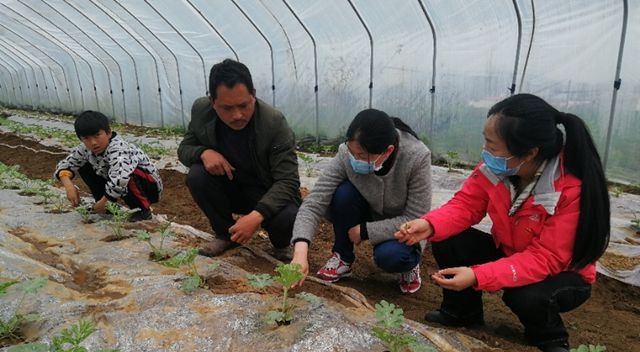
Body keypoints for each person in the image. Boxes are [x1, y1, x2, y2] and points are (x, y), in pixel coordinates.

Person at [395, 93, 610, 352]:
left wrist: (477, 276)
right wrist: (429, 224)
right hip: (513, 252)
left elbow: (546, 258)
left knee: (524, 295)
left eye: (492, 144)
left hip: (561, 273)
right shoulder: (497, 167)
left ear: (529, 153)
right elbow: (466, 205)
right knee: (448, 238)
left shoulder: (569, 188)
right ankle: (462, 312)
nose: (486, 151)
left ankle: (550, 336)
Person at [291, 108, 432, 294]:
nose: (355, 159)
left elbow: (415, 217)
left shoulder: (417, 157)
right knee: (343, 194)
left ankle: (409, 266)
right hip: (368, 209)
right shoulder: (346, 154)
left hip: (403, 227)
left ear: (388, 150)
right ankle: (343, 257)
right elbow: (314, 203)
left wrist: (366, 231)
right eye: (352, 152)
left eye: (363, 156)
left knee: (391, 256)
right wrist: (300, 253)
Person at [177, 58, 301, 261]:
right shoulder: (202, 112)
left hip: (263, 190)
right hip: (230, 186)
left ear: (253, 94)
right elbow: (184, 149)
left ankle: (281, 245)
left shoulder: (273, 123)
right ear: (212, 102)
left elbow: (288, 181)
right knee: (197, 176)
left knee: (288, 216)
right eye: (227, 108)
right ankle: (226, 235)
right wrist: (203, 152)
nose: (237, 115)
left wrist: (255, 216)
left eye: (244, 105)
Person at [54, 110, 163, 222]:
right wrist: (68, 185)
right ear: (81, 139)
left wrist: (105, 201)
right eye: (86, 138)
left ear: (109, 133)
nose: (93, 142)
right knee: (84, 164)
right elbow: (66, 164)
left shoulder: (119, 149)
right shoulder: (85, 149)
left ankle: (142, 211)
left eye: (97, 135)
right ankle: (106, 207)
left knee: (126, 172)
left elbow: (120, 178)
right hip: (117, 183)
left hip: (148, 186)